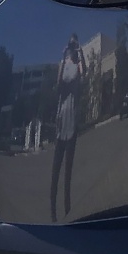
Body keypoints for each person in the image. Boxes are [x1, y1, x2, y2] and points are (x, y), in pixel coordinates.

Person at [49, 34, 85, 221]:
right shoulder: (63, 65)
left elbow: (84, 75)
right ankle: (53, 211)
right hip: (61, 123)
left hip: (72, 125)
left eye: (74, 44)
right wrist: (64, 57)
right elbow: (58, 85)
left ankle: (68, 210)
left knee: (68, 171)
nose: (72, 47)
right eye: (71, 44)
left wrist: (81, 52)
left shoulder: (78, 67)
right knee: (55, 170)